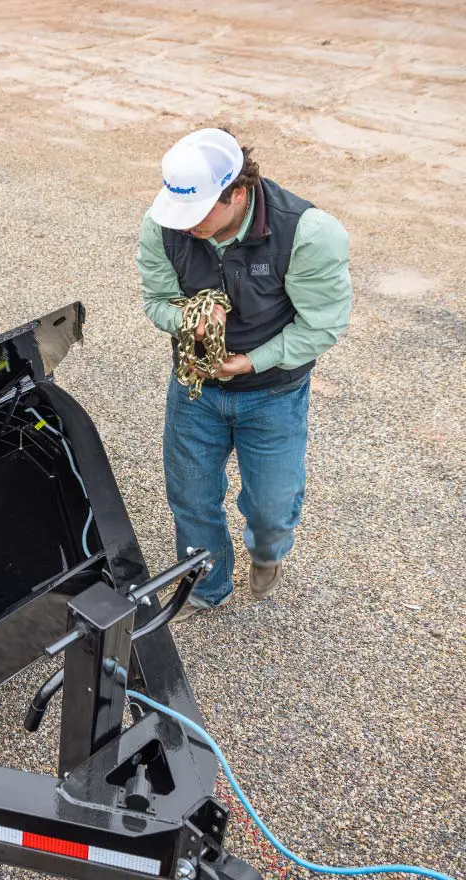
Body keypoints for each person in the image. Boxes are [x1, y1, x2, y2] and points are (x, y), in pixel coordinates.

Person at [137, 128, 352, 621]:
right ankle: (208, 586)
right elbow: (157, 301)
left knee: (271, 508)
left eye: (199, 214)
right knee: (191, 499)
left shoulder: (309, 232)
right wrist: (189, 316)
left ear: (237, 193)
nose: (185, 225)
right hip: (196, 388)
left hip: (273, 392)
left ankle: (267, 551)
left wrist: (251, 361)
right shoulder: (163, 223)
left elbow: (323, 324)